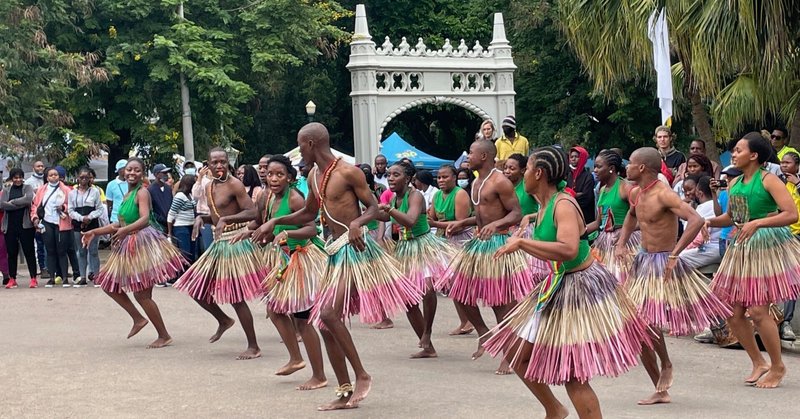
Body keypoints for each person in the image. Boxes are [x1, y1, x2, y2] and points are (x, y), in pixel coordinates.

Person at [253, 123, 421, 411]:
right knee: (324, 322)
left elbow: (373, 209)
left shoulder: (347, 172)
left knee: (329, 314)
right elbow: (307, 213)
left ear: (309, 143)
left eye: (300, 145)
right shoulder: (316, 175)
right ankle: (344, 392)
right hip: (333, 251)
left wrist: (357, 223)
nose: (299, 153)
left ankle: (362, 375)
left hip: (354, 249)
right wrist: (273, 222)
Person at [484, 146, 650, 419]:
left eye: (526, 169)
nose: (522, 174)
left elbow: (569, 249)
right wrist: (528, 222)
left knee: (573, 374)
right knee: (516, 353)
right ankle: (554, 409)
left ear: (539, 173)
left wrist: (523, 242)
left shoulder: (563, 203)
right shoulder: (546, 204)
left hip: (580, 287)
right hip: (557, 284)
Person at [615, 147, 731, 405]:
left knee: (646, 323)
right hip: (642, 263)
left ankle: (665, 364)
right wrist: (622, 242)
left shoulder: (664, 194)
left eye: (631, 163)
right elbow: (632, 217)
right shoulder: (636, 193)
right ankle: (660, 384)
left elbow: (695, 221)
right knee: (637, 326)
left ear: (642, 167)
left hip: (662, 264)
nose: (628, 168)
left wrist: (675, 254)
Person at [708, 132, 800, 388]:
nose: (734, 154)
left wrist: (758, 222)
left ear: (754, 155)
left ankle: (778, 366)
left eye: (738, 150)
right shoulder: (734, 183)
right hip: (741, 248)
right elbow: (731, 217)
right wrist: (706, 221)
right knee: (732, 312)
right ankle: (759, 362)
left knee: (758, 310)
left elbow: (790, 214)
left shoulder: (770, 180)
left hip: (766, 247)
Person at [438, 140, 539, 370]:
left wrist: (497, 225)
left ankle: (509, 354)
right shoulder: (476, 182)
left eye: (471, 153)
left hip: (499, 243)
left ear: (483, 156)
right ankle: (484, 333)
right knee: (459, 289)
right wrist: (463, 221)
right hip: (479, 243)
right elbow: (482, 215)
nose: (467, 156)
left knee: (501, 302)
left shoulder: (499, 181)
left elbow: (515, 213)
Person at [239, 155, 328, 390]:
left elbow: (311, 229)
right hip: (283, 260)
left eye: (279, 174)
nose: (274, 178)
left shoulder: (296, 198)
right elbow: (260, 222)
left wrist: (288, 234)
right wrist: (246, 231)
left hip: (303, 258)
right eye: (270, 174)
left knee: (303, 320)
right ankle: (296, 358)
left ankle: (319, 375)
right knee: (275, 310)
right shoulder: (266, 198)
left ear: (289, 177)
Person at [81, 158, 185, 348]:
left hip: (142, 244)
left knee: (142, 295)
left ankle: (163, 335)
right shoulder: (127, 195)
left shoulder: (142, 192)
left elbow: (145, 219)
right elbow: (119, 225)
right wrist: (95, 231)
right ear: (122, 171)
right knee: (108, 284)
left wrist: (125, 231)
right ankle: (138, 319)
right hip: (128, 243)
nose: (132, 173)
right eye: (129, 169)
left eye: (137, 170)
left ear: (142, 174)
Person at [174, 148, 266, 360]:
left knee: (235, 296)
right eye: (214, 162)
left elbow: (253, 212)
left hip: (234, 242)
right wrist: (202, 219)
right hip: (219, 244)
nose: (219, 166)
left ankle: (253, 346)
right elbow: (216, 217)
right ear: (207, 164)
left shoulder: (234, 184)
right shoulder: (209, 186)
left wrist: (226, 221)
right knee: (195, 288)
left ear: (228, 163)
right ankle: (223, 320)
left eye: (222, 162)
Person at [377, 161, 455, 358]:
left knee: (428, 290)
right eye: (389, 175)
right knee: (408, 300)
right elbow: (383, 217)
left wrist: (388, 210)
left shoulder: (416, 196)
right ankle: (428, 348)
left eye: (396, 174)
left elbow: (410, 220)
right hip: (404, 248)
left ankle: (427, 331)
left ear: (408, 178)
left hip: (423, 244)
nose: (391, 178)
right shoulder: (394, 199)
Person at [429, 165, 474, 335]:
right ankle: (465, 321)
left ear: (454, 178)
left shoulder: (460, 194)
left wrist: (435, 224)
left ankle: (470, 320)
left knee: (459, 282)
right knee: (451, 285)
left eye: (445, 177)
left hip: (460, 241)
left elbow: (460, 223)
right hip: (443, 241)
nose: (441, 180)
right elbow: (431, 217)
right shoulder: (436, 196)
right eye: (439, 177)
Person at [585, 150, 639, 283]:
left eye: (598, 166)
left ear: (611, 169)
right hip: (605, 242)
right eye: (595, 166)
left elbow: (643, 218)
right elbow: (598, 223)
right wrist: (578, 232)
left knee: (623, 281)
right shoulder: (602, 190)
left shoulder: (626, 188)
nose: (595, 170)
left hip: (625, 242)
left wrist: (623, 234)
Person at [30, 167, 76, 287]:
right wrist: (34, 218)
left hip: (61, 222)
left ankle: (65, 277)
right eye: (51, 175)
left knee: (62, 251)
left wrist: (63, 208)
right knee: (50, 251)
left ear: (59, 176)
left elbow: (72, 205)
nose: (53, 177)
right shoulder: (41, 190)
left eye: (55, 175)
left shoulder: (66, 190)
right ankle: (52, 277)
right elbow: (35, 206)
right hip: (46, 222)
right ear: (47, 177)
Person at [68, 167, 105, 287]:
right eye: (81, 177)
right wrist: (80, 218)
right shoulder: (72, 193)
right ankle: (82, 276)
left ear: (90, 178)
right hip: (78, 224)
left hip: (92, 223)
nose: (84, 179)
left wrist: (90, 216)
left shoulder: (94, 192)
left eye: (86, 177)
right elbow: (70, 210)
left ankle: (96, 276)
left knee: (93, 250)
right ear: (78, 178)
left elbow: (100, 209)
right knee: (81, 251)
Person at [1, 168, 38, 288]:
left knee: (29, 252)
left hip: (25, 226)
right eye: (15, 178)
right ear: (11, 178)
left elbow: (28, 199)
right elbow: (2, 204)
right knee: (11, 253)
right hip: (10, 226)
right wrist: (19, 205)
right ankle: (12, 278)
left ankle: (33, 278)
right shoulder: (6, 190)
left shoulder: (27, 188)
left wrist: (12, 202)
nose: (18, 180)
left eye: (20, 177)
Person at [678, 175, 723, 269]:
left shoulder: (704, 208)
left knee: (678, 259)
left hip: (712, 248)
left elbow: (694, 235)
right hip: (715, 247)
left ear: (699, 193)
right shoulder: (717, 203)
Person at [779, 151, 800, 341]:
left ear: (797, 164)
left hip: (797, 236)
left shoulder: (798, 183)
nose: (783, 166)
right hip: (780, 235)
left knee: (793, 280)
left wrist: (798, 185)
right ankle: (779, 321)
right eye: (781, 163)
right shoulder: (778, 182)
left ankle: (786, 322)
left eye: (787, 162)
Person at [167, 174, 197, 266]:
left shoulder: (190, 195)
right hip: (181, 227)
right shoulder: (180, 196)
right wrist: (170, 232)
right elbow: (171, 214)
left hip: (191, 226)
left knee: (192, 253)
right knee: (185, 253)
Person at [25, 160, 47, 277]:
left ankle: (49, 267)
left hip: (47, 214)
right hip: (35, 214)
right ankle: (41, 267)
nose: (40, 168)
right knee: (38, 243)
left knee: (47, 242)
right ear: (34, 168)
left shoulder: (47, 179)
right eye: (38, 166)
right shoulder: (29, 182)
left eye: (42, 166)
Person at [567, 147, 596, 225]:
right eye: (571, 157)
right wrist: (576, 195)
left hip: (585, 217)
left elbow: (587, 198)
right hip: (570, 215)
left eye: (576, 157)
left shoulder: (588, 176)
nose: (573, 159)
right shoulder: (568, 175)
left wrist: (571, 196)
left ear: (582, 158)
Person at [191, 164, 214, 255]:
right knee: (209, 246)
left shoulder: (221, 181)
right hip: (205, 216)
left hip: (219, 216)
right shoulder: (203, 181)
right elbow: (195, 195)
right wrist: (200, 178)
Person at [148, 163, 173, 232]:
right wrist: (161, 219)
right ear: (156, 174)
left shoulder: (168, 188)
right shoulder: (150, 190)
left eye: (166, 173)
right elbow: (150, 211)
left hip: (170, 224)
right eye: (164, 173)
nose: (166, 175)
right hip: (158, 226)